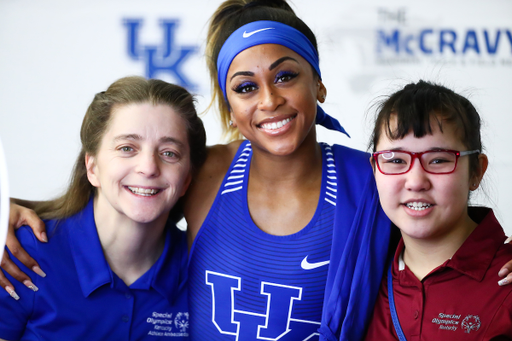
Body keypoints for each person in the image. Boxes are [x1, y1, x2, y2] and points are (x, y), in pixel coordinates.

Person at [3, 2, 512, 341]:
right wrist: (13, 211)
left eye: (286, 76)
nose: (269, 100)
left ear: (319, 84)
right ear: (230, 106)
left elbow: (438, 223)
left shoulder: (371, 177)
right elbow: (131, 193)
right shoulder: (205, 173)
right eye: (246, 87)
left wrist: (500, 263)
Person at [0, 76, 206, 340]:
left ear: (187, 179)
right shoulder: (25, 254)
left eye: (169, 153)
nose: (149, 167)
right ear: (92, 167)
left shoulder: (205, 270)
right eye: (127, 148)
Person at [364, 80, 512, 340]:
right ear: (375, 169)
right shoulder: (361, 272)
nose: (416, 182)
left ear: (476, 171)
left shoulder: (506, 282)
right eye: (396, 160)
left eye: (439, 160)